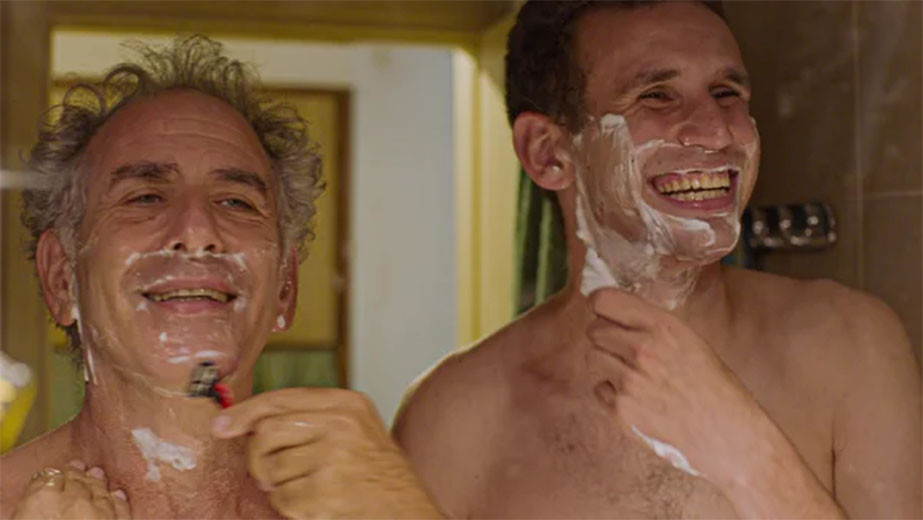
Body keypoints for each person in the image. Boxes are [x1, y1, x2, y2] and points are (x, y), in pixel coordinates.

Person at [394, 2, 922, 518]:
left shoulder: (851, 346)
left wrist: (749, 457)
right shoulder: (455, 420)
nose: (717, 132)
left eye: (726, 93)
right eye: (656, 96)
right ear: (548, 153)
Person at [0, 35, 440, 520]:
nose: (197, 232)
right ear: (62, 278)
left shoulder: (382, 506)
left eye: (236, 202)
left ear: (285, 287)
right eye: (145, 197)